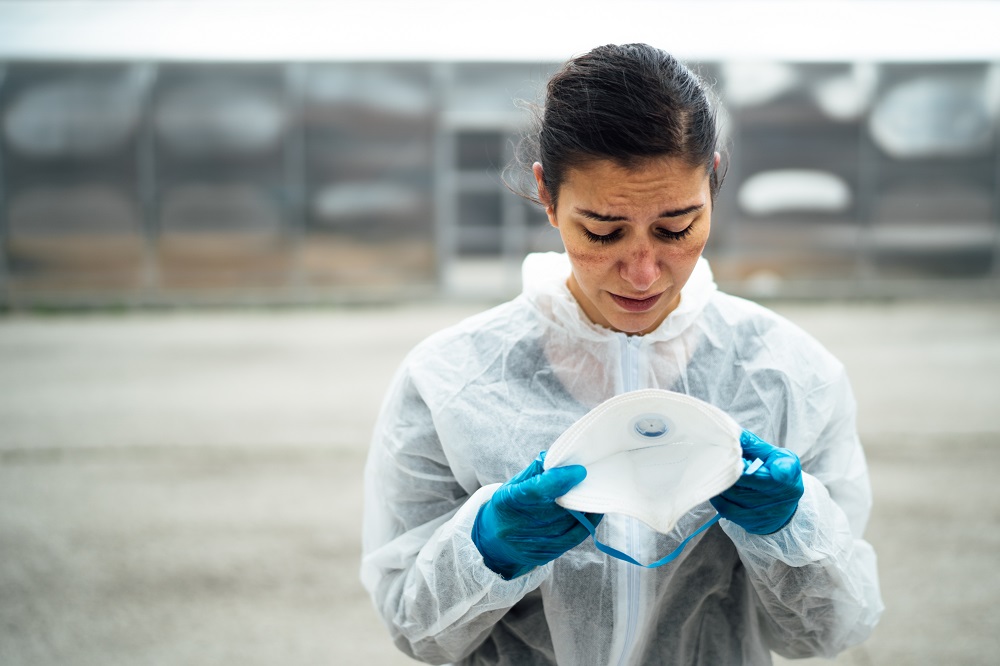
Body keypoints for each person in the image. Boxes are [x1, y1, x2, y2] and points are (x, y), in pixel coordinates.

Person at [360, 43, 883, 665]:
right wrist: (485, 549)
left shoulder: (790, 374)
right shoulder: (450, 380)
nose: (641, 272)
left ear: (713, 182)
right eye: (602, 232)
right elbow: (416, 632)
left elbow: (825, 635)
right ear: (547, 197)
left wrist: (792, 530)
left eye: (676, 228)